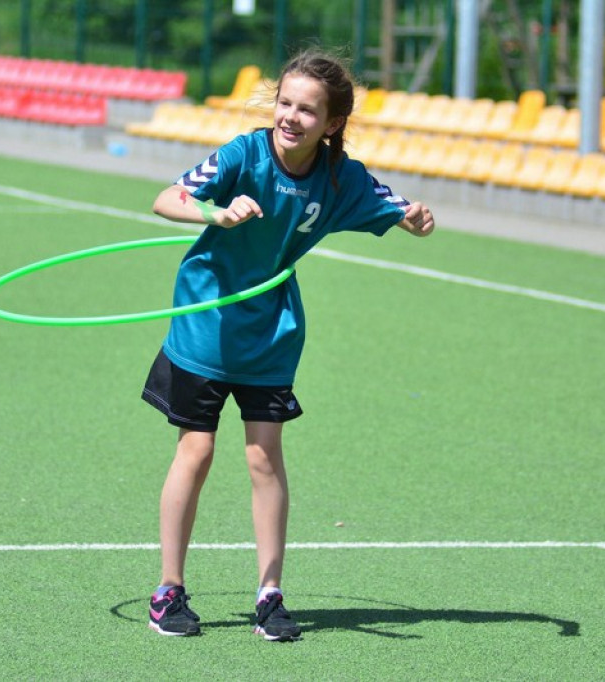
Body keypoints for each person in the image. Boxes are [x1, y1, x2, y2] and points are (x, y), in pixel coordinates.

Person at [141, 50, 435, 641]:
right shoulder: (243, 153)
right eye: (286, 103)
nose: (291, 116)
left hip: (271, 333)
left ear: (331, 124)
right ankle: (169, 590)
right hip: (206, 321)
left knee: (262, 457)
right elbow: (166, 198)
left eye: (307, 109)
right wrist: (217, 213)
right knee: (195, 452)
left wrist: (414, 217)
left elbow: (396, 206)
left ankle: (270, 594)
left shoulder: (338, 177)